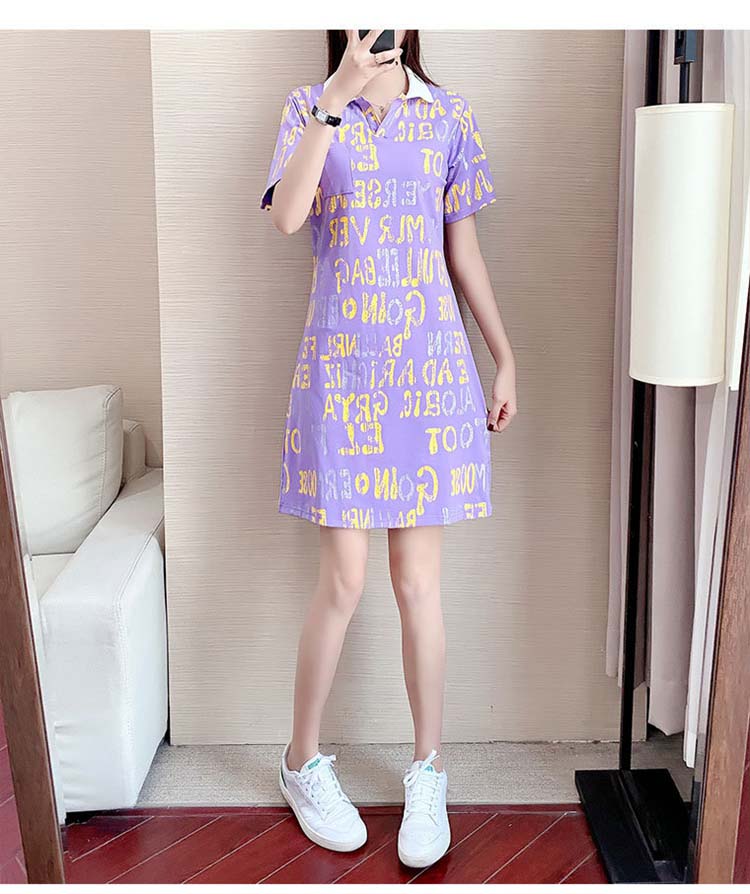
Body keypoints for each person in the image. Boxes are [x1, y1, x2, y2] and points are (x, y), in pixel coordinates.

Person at [261, 29, 517, 869]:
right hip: (342, 373)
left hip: (428, 376)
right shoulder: (307, 107)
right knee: (343, 580)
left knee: (418, 584)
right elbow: (290, 216)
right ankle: (301, 762)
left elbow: (461, 249)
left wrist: (504, 356)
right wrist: (334, 102)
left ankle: (428, 770)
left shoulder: (448, 116)